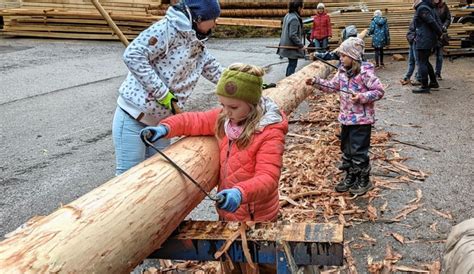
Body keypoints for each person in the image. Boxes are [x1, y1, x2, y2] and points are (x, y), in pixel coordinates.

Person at [140, 63, 288, 222]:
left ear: (252, 104)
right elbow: (194, 121)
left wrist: (241, 193)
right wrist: (166, 128)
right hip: (229, 210)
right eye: (222, 105)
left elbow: (268, 177)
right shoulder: (226, 118)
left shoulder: (269, 133)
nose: (226, 111)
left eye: (233, 106)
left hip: (256, 216)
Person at [112, 0, 224, 175]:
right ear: (199, 17)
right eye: (214, 18)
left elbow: (214, 70)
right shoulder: (166, 29)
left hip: (162, 123)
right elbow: (133, 55)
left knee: (157, 176)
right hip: (133, 116)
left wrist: (242, 84)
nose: (215, 23)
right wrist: (162, 93)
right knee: (128, 176)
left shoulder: (196, 42)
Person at [305, 38, 384, 196]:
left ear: (353, 56)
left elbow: (379, 91)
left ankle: (364, 179)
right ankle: (350, 175)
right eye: (340, 55)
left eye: (343, 55)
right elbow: (332, 87)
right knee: (347, 149)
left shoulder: (365, 73)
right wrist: (315, 82)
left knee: (358, 150)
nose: (340, 58)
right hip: (346, 118)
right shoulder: (342, 72)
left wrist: (361, 96)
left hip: (362, 120)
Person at [412, 0, 443, 94]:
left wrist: (440, 34)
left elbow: (432, 22)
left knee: (422, 62)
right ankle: (433, 82)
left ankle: (424, 86)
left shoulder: (423, 8)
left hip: (424, 40)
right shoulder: (429, 7)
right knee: (425, 61)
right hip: (427, 39)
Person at [278, 0, 305, 76]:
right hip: (291, 46)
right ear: (299, 8)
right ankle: (288, 80)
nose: (303, 10)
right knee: (292, 64)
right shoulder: (294, 19)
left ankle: (287, 79)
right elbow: (292, 35)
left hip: (287, 44)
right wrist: (301, 45)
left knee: (291, 64)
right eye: (303, 8)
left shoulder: (288, 15)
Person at [400, 17, 422, 85]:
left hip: (416, 43)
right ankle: (407, 77)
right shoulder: (415, 19)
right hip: (412, 42)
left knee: (418, 61)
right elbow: (410, 30)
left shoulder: (421, 19)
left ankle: (419, 78)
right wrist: (411, 38)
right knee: (411, 61)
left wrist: (414, 38)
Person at [434, 0, 451, 80]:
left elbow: (448, 18)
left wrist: (445, 26)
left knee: (439, 55)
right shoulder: (429, 5)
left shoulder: (444, 6)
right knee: (425, 56)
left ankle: (438, 73)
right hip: (431, 34)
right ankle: (422, 74)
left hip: (440, 34)